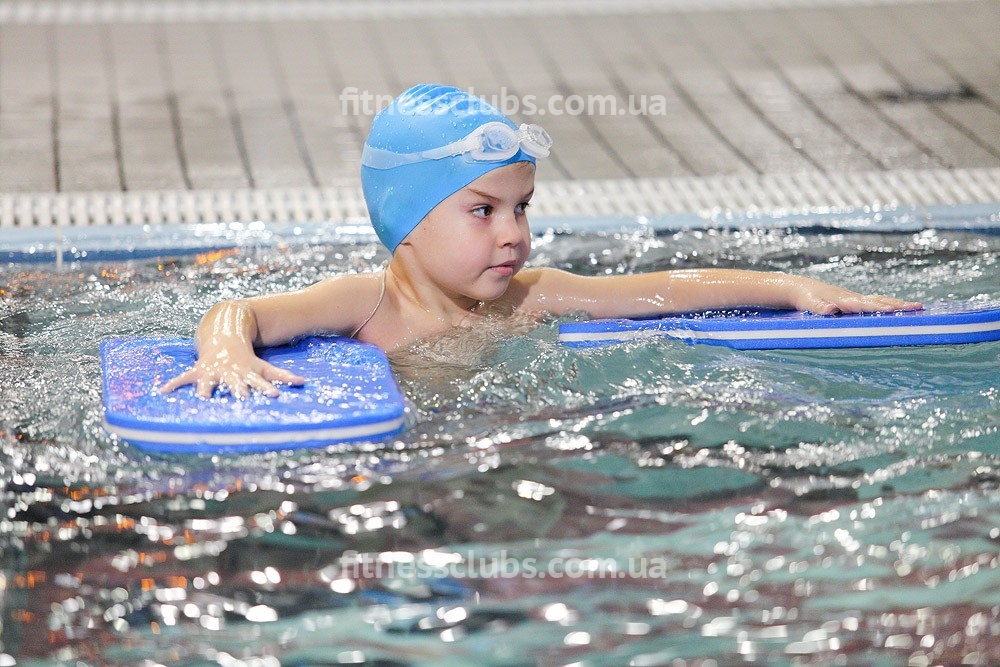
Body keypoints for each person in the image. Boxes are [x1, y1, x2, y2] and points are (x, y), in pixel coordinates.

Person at [160, 84, 921, 399]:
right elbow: (238, 311)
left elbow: (665, 292)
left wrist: (791, 287)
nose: (515, 235)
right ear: (407, 224)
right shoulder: (368, 304)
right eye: (483, 211)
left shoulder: (527, 298)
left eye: (521, 208)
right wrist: (227, 352)